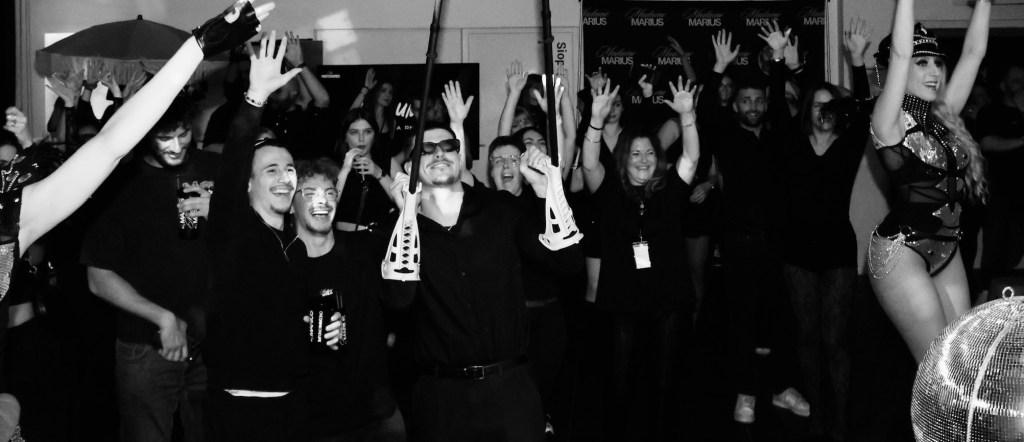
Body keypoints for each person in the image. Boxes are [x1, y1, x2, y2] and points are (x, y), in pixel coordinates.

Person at [381, 125, 582, 442]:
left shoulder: (500, 208)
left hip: (510, 390)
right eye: (426, 149)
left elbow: (568, 262)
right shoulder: (401, 230)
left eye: (448, 145)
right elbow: (398, 298)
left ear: (459, 156)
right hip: (441, 399)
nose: (439, 152)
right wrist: (407, 214)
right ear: (409, 168)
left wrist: (548, 190)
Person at [201, 32, 342, 441]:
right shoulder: (233, 229)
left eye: (289, 169)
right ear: (247, 185)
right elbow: (232, 161)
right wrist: (255, 97)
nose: (285, 178)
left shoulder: (295, 247)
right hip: (241, 413)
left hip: (293, 408)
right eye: (271, 170)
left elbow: (295, 324)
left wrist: (328, 330)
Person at [80, 96, 218, 442]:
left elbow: (210, 241)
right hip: (148, 347)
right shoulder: (118, 184)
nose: (176, 146)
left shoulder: (208, 168)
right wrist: (163, 318)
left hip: (210, 342)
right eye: (164, 137)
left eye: (183, 134)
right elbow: (98, 277)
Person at [697, 27, 810, 424]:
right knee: (741, 320)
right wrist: (718, 68)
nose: (753, 106)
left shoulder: (778, 137)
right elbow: (705, 113)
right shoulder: (727, 137)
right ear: (735, 105)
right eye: (745, 100)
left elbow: (782, 102)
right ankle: (745, 392)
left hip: (777, 244)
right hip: (739, 243)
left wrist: (778, 60)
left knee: (782, 319)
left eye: (758, 100)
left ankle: (782, 388)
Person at [868, 0, 990, 362]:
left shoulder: (943, 115)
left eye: (938, 63)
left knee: (961, 362)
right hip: (902, 250)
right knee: (935, 367)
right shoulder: (888, 120)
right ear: (899, 69)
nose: (934, 71)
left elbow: (974, 52)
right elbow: (900, 53)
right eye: (922, 63)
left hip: (948, 247)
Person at [777, 18, 873, 441]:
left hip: (836, 248)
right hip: (798, 249)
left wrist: (857, 61)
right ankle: (817, 412)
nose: (822, 111)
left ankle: (841, 418)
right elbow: (776, 105)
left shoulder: (848, 147)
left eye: (829, 105)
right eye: (815, 105)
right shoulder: (793, 144)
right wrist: (779, 63)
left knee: (835, 339)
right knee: (807, 337)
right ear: (806, 111)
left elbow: (865, 109)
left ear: (837, 111)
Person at [292, 158, 405, 442]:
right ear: (291, 203)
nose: (322, 200)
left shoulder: (366, 249)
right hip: (315, 425)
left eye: (329, 192)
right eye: (310, 192)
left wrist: (406, 209)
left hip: (379, 419)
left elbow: (416, 244)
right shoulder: (282, 266)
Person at [977, 62, 1024, 290]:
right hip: (998, 189)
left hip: (1022, 191)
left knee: (1016, 246)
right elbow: (987, 143)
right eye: (1016, 81)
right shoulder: (991, 112)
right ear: (1003, 85)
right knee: (995, 246)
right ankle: (987, 295)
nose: (1021, 86)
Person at [332, 109, 397, 232]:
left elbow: (405, 203)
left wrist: (378, 173)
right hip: (343, 238)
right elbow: (329, 203)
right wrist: (345, 170)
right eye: (354, 132)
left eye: (367, 132)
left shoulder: (388, 163)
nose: (361, 139)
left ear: (375, 135)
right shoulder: (334, 166)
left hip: (378, 238)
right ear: (345, 137)